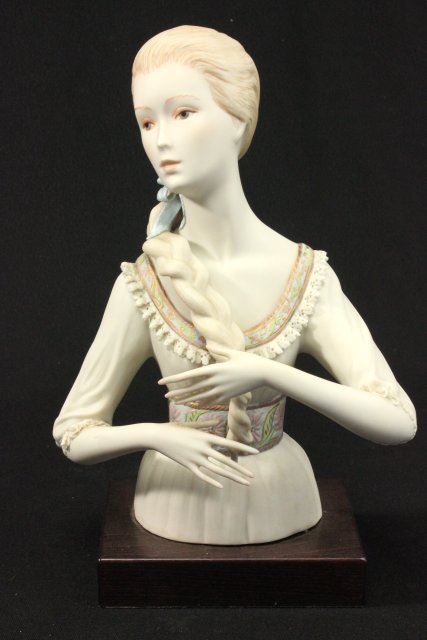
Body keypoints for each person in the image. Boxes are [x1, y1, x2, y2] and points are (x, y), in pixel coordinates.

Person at [52, 26, 417, 545]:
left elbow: (398, 421)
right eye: (147, 122)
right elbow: (73, 430)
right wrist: (160, 436)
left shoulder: (304, 274)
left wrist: (268, 372)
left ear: (237, 119)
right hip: (177, 498)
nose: (161, 139)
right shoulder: (144, 283)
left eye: (183, 113)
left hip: (282, 493)